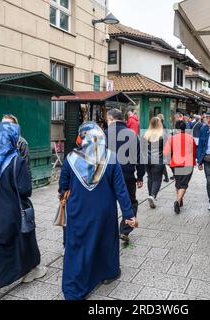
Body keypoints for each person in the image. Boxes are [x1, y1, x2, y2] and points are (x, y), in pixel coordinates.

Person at [58, 122, 137, 300]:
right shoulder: (111, 157)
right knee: (106, 240)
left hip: (78, 210)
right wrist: (128, 214)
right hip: (104, 210)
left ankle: (75, 289)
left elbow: (63, 186)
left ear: (83, 136)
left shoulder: (71, 158)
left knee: (78, 245)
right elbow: (121, 190)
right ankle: (109, 272)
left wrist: (64, 193)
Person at [0, 122, 44, 300]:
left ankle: (30, 270)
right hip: (11, 210)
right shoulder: (16, 160)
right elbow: (25, 189)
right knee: (3, 245)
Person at [105, 109, 145, 243]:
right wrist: (140, 176)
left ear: (110, 119)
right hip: (127, 175)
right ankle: (125, 230)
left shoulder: (104, 134)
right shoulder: (133, 135)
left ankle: (107, 230)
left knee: (107, 202)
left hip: (107, 176)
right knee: (130, 202)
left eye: (107, 119)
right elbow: (140, 158)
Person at [164, 120, 196, 214]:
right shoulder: (190, 138)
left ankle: (180, 200)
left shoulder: (172, 138)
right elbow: (194, 151)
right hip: (187, 163)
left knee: (179, 182)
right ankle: (177, 202)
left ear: (176, 129)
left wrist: (169, 162)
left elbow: (166, 153)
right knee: (183, 184)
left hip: (175, 164)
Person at [142, 117, 167, 209]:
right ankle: (152, 195)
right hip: (158, 160)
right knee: (157, 179)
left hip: (147, 159)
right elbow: (166, 149)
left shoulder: (146, 134)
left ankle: (150, 195)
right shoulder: (163, 134)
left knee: (150, 177)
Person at [157, 113, 170, 183]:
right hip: (163, 145)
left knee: (161, 162)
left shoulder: (160, 126)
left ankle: (166, 177)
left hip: (160, 145)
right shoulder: (163, 125)